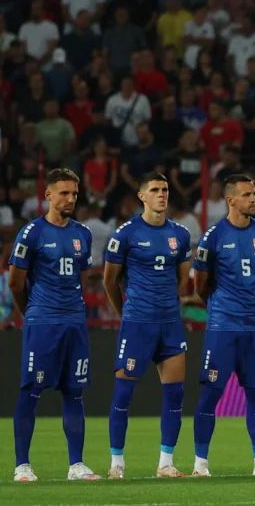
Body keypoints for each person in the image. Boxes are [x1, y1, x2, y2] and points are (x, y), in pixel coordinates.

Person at [9, 168, 101, 481]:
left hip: (75, 322)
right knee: (31, 390)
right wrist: (33, 313)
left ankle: (76, 465)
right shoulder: (31, 233)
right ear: (48, 195)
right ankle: (22, 465)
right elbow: (15, 283)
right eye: (64, 193)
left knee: (74, 392)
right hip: (43, 322)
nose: (71, 199)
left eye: (75, 193)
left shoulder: (82, 234)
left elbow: (82, 279)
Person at [102, 172, 194, 479]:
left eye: (165, 189)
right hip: (137, 324)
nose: (162, 194)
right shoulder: (125, 234)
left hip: (169, 323)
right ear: (142, 196)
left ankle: (166, 464)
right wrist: (126, 311)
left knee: (175, 395)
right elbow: (109, 280)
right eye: (154, 189)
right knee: (123, 395)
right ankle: (117, 464)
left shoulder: (180, 234)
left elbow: (183, 278)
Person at [191, 174, 255, 477]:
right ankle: (200, 464)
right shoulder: (214, 235)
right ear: (230, 200)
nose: (253, 199)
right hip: (223, 327)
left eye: (254, 194)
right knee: (212, 394)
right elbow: (200, 284)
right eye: (246, 195)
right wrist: (221, 305)